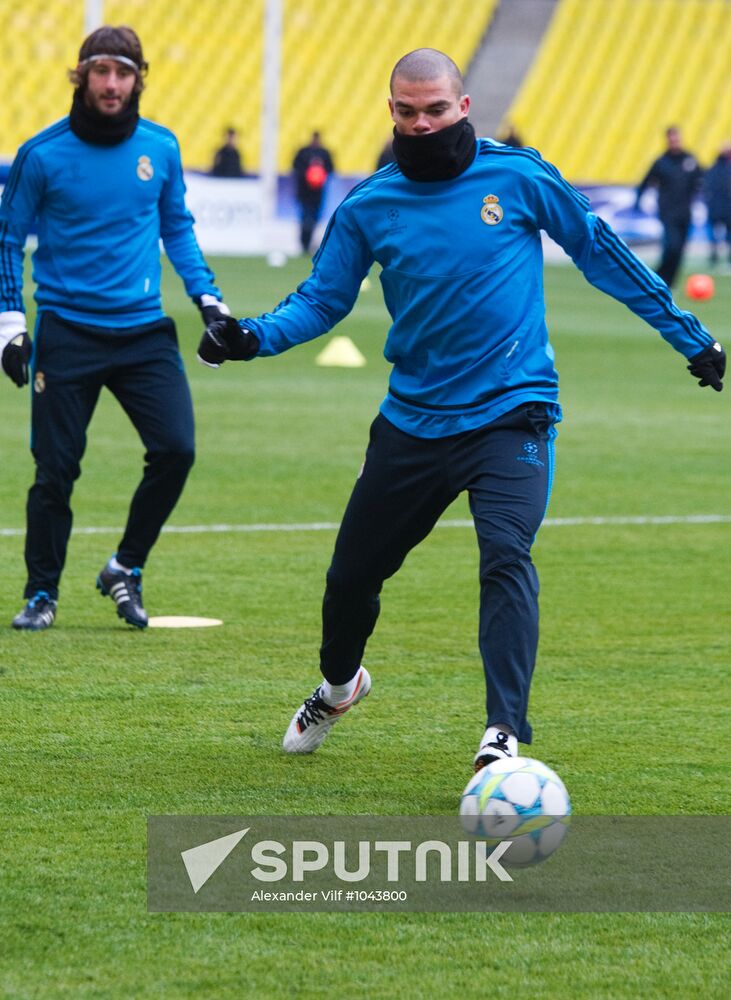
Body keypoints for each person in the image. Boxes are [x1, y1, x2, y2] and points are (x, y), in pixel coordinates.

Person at [198, 49, 725, 771]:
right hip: (413, 422)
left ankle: (501, 735)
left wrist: (690, 338)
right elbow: (322, 300)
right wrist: (249, 338)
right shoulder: (368, 206)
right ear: (391, 113)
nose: (423, 123)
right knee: (351, 580)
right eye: (408, 112)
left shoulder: (519, 176)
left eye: (436, 110)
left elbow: (601, 253)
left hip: (514, 413)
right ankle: (338, 685)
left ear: (463, 106)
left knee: (505, 554)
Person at [0, 25, 230, 631]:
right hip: (68, 332)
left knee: (177, 450)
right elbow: (6, 241)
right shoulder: (41, 154)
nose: (111, 83)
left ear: (137, 79)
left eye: (123, 73)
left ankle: (125, 567)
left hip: (143, 333)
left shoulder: (162, 147)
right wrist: (10, 323)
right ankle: (41, 594)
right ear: (81, 75)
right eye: (100, 71)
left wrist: (209, 300)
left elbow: (176, 227)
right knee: (56, 471)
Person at [635, 126, 703, 286]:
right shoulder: (661, 162)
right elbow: (645, 182)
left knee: (679, 250)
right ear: (667, 140)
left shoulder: (690, 160)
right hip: (668, 212)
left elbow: (702, 181)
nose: (675, 142)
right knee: (671, 246)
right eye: (672, 139)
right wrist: (638, 201)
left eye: (677, 138)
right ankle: (660, 276)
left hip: (685, 212)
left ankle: (669, 283)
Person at [292, 130, 334, 254]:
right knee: (305, 218)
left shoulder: (324, 153)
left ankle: (309, 242)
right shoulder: (303, 152)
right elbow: (295, 167)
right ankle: (303, 243)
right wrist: (308, 174)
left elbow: (331, 168)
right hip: (304, 192)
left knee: (315, 218)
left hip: (318, 193)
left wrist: (320, 172)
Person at [704, 142, 731, 266]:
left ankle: (714, 255)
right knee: (721, 233)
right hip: (724, 206)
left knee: (714, 233)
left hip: (715, 206)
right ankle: (717, 254)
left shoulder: (712, 168)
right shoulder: (723, 169)